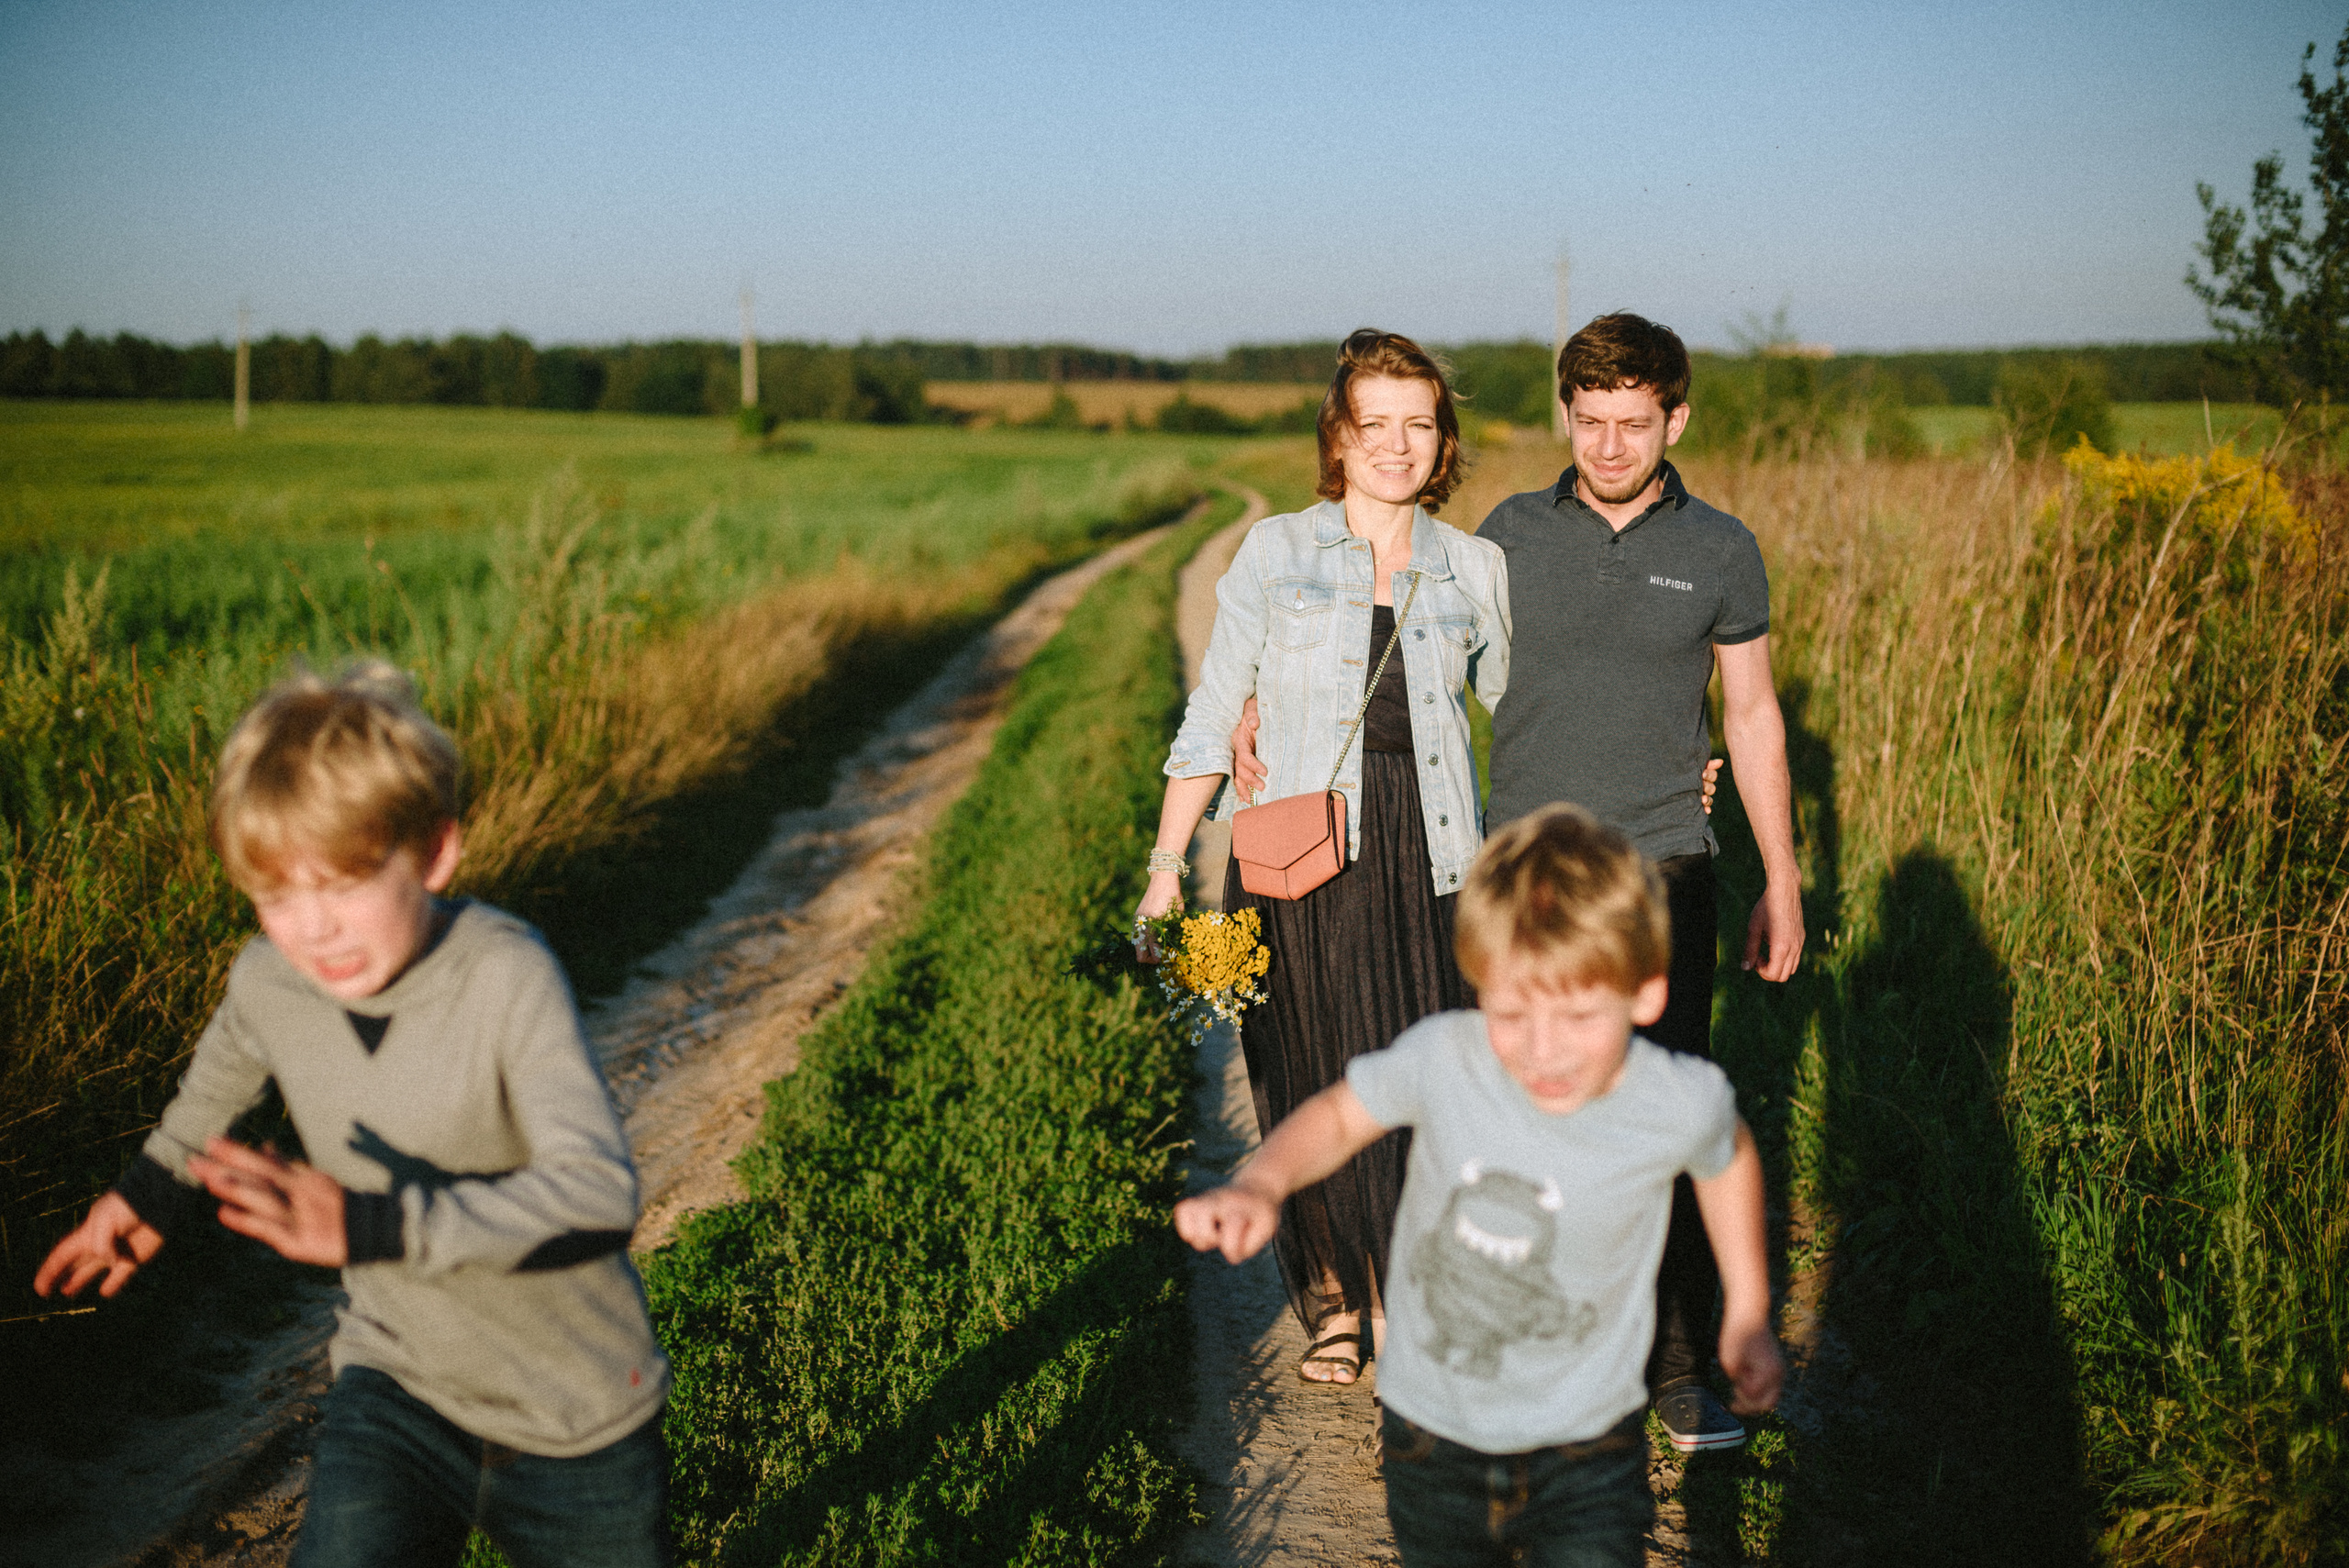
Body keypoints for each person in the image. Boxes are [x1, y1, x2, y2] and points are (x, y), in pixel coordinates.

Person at [1231, 312, 1800, 1451]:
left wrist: (1778, 877)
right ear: (1565, 417)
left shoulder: (1724, 547)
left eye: (1631, 425)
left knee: (1669, 1102)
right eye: (1587, 422)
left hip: (1660, 869)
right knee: (1514, 1114)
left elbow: (1751, 714)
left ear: (1674, 419)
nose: (1606, 447)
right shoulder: (1500, 539)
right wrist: (1261, 712)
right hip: (1515, 880)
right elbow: (1410, 656)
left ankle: (1680, 1362)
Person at [35, 662, 672, 1568]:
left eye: (343, 882)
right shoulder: (269, 979)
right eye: (277, 893)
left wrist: (370, 1223)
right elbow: (214, 1092)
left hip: (570, 1414)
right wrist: (145, 1194)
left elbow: (598, 1192)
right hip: (398, 1380)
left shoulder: (502, 973)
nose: (312, 928)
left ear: (435, 852)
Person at [1174, 804, 1784, 1567]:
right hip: (1435, 1436)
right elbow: (1337, 1115)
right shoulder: (1447, 1057)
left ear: (1647, 993)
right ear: (1479, 984)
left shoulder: (1672, 1096)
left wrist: (1750, 1309)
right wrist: (1261, 1183)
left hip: (1590, 1442)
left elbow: (1728, 1156)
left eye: (1578, 1015)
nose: (1542, 1047)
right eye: (1511, 1011)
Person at [1140, 328, 1510, 1384]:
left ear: (1441, 444)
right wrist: (1168, 866)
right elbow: (1215, 710)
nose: (1395, 445)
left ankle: (1409, 1290)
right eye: (1373, 424)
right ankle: (1335, 1299)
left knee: (1416, 1073)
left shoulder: (1476, 568)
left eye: (1417, 424)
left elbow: (1525, 719)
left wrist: (1673, 765)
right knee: (1304, 1065)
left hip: (1429, 855)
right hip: (1295, 849)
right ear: (1337, 438)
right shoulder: (1275, 552)